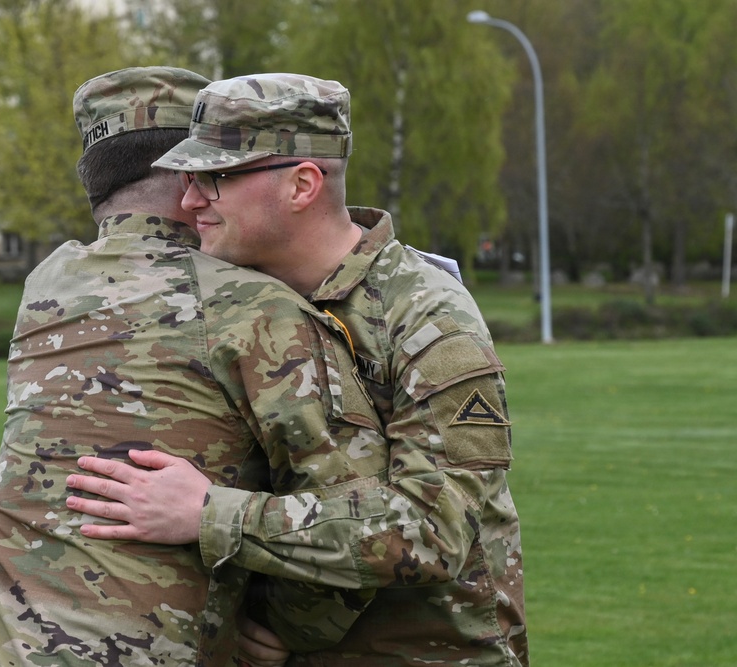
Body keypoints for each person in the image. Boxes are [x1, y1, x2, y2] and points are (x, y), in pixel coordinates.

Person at [0, 67, 390, 667]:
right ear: (190, 175)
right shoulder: (251, 307)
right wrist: (293, 628)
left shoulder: (50, 280)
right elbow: (361, 509)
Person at [65, 73, 529, 666]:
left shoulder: (425, 316)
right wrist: (282, 617)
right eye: (188, 178)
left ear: (303, 184)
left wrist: (208, 514)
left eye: (216, 178)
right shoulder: (243, 303)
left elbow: (433, 529)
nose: (188, 201)